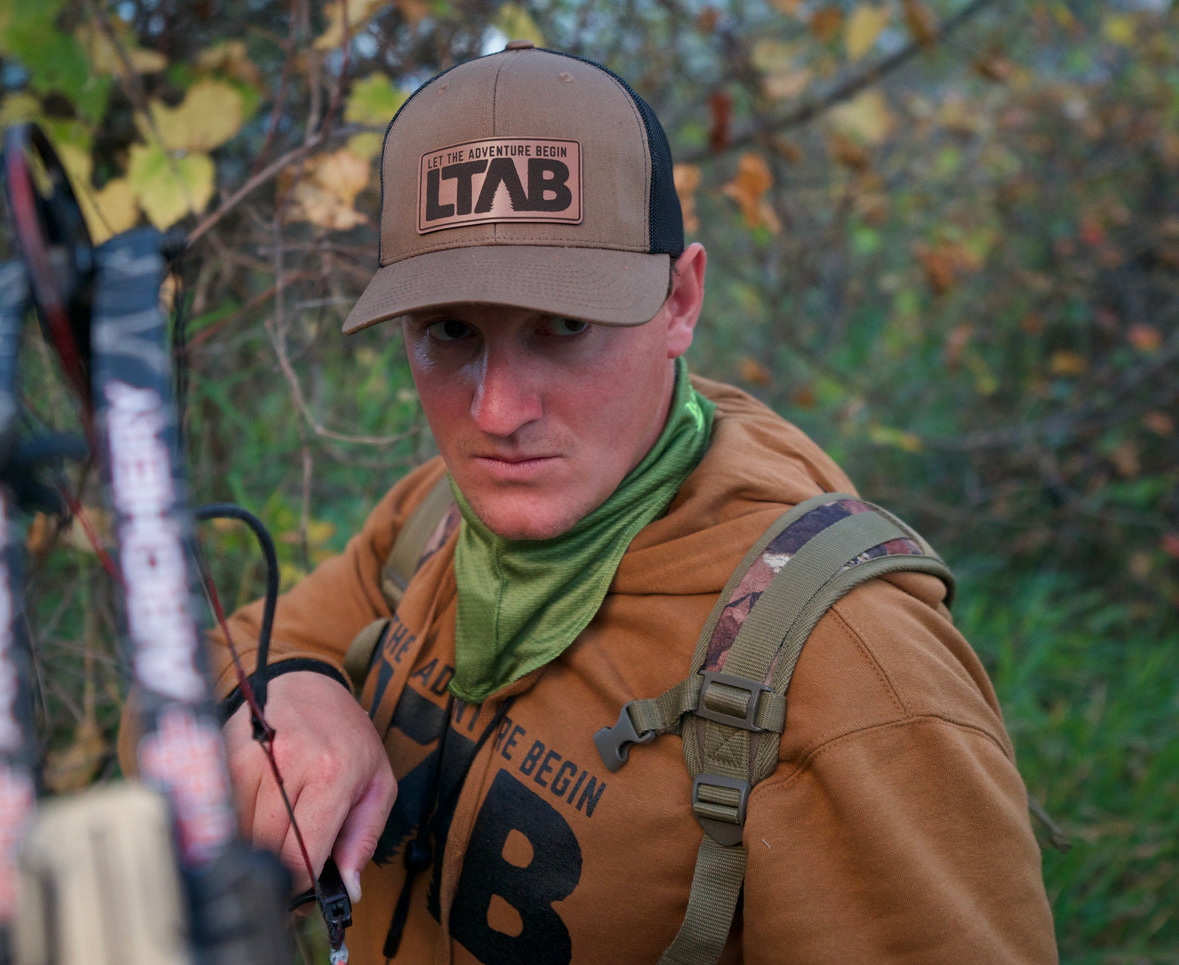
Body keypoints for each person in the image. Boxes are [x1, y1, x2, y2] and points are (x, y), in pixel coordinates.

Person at [122, 43, 1058, 963]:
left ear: (679, 299)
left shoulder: (851, 671)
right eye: (449, 332)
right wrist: (292, 687)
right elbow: (180, 675)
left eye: (563, 326)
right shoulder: (438, 520)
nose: (495, 412)